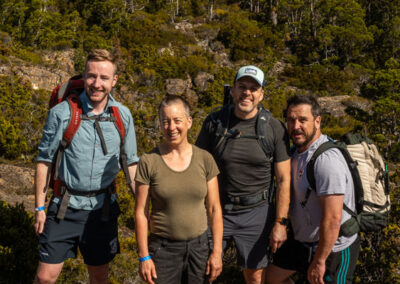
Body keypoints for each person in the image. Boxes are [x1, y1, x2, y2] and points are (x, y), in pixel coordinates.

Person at [33, 49, 139, 284]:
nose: (96, 83)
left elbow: (131, 163)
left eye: (104, 78)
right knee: (45, 278)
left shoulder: (123, 116)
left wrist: (143, 208)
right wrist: (39, 208)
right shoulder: (61, 113)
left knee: (99, 277)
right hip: (64, 207)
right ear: (84, 75)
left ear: (114, 80)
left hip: (102, 210)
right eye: (91, 76)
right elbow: (45, 160)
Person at [196, 65, 291, 284]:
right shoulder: (214, 122)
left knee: (255, 276)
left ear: (261, 94)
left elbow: (284, 179)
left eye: (253, 88)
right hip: (218, 209)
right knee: (205, 270)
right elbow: (198, 166)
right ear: (232, 90)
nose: (246, 92)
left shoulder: (273, 128)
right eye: (242, 86)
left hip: (257, 212)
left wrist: (280, 222)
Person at [264, 94, 360, 284]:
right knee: (269, 278)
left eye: (302, 120)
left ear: (317, 121)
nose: (296, 126)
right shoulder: (296, 153)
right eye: (291, 120)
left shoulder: (326, 160)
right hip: (303, 242)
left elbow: (333, 218)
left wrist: (320, 260)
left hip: (334, 247)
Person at [135, 95, 223, 284]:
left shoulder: (205, 159)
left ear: (189, 122)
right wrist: (144, 256)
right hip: (163, 250)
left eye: (177, 121)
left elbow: (214, 208)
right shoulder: (149, 161)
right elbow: (141, 213)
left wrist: (216, 252)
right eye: (165, 122)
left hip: (199, 249)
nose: (171, 127)